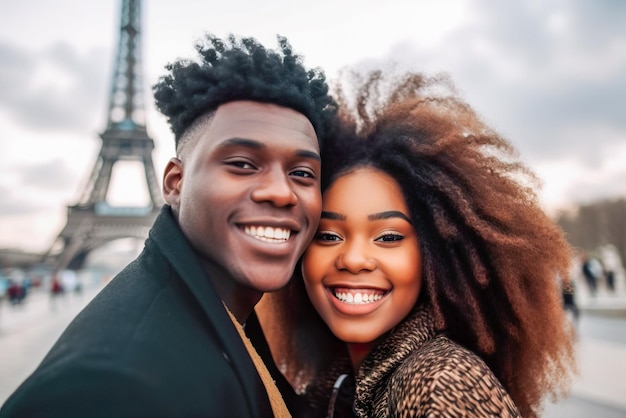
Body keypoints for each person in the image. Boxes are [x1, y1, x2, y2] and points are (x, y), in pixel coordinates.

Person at [0, 34, 337, 418]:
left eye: (302, 172)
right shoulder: (107, 390)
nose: (281, 193)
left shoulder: (224, 313)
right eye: (242, 164)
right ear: (175, 183)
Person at [257, 69, 577, 418]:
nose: (353, 259)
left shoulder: (444, 384)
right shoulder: (338, 380)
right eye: (329, 236)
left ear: (435, 256)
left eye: (389, 237)